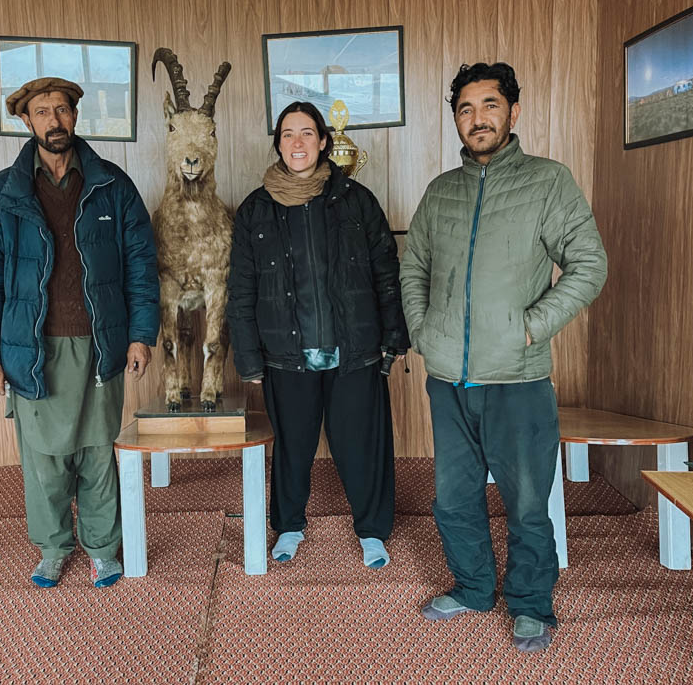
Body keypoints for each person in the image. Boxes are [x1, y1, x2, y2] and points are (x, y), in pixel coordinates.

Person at [400, 62, 607, 651]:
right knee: (453, 497)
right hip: (449, 378)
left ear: (513, 113)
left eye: (489, 105)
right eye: (465, 109)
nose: (477, 118)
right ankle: (471, 587)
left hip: (517, 378)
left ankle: (531, 603)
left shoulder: (548, 182)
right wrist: (424, 329)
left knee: (526, 501)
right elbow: (414, 267)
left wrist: (533, 326)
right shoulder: (442, 190)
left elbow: (590, 264)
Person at [0, 77, 159, 588]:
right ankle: (53, 547)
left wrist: (141, 334)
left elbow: (141, 265)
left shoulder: (113, 186)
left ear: (75, 116)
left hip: (99, 342)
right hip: (31, 347)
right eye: (42, 112)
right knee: (45, 459)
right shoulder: (1, 197)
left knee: (97, 453)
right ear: (26, 122)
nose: (54, 120)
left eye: (63, 110)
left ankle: (102, 547)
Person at [227, 101, 409, 569]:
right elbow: (241, 289)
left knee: (360, 445)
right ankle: (288, 527)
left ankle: (372, 532)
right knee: (293, 448)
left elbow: (386, 272)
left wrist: (393, 338)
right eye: (288, 134)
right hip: (286, 356)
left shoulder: (356, 200)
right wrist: (248, 358)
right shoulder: (255, 210)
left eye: (307, 133)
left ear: (324, 141)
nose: (298, 143)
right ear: (278, 143)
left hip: (355, 351)